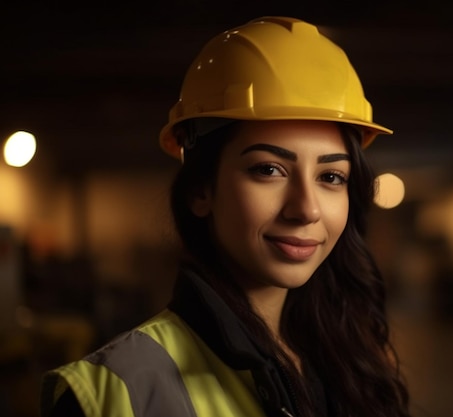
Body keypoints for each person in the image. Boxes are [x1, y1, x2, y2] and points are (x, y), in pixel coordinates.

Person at [40, 16, 411, 417]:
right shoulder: (110, 393)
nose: (307, 208)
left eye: (331, 176)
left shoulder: (352, 360)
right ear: (201, 190)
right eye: (268, 169)